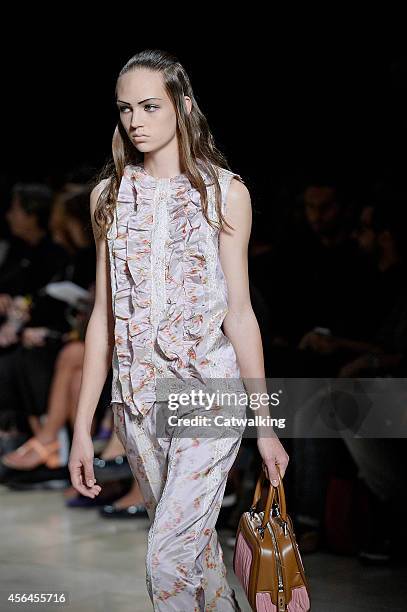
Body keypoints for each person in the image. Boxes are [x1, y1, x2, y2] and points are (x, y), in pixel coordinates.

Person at [68, 49, 289, 611]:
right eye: (125, 109)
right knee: (195, 557)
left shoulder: (223, 192)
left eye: (149, 106)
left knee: (167, 558)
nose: (136, 121)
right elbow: (102, 319)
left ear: (182, 106)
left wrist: (266, 427)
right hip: (137, 403)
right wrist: (81, 427)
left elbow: (240, 313)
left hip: (207, 395)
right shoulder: (109, 197)